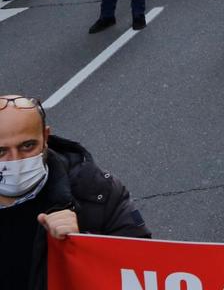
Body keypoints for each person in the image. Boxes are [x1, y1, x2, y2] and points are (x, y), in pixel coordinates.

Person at [0, 95, 151, 290]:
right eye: (1, 151)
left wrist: (82, 243)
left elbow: (143, 267)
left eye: (27, 146)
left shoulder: (97, 192)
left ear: (45, 137)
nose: (15, 161)